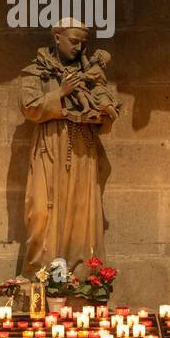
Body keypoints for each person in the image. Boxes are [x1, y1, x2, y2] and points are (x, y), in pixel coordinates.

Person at [18, 18, 120, 273]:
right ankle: (41, 276)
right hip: (49, 145)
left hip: (82, 146)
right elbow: (30, 107)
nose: (78, 48)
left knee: (80, 210)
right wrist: (60, 93)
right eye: (73, 42)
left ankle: (80, 276)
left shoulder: (90, 73)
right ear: (57, 38)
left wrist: (104, 113)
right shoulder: (35, 71)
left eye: (82, 44)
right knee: (41, 211)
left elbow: (103, 102)